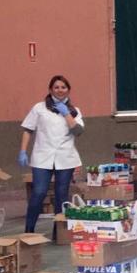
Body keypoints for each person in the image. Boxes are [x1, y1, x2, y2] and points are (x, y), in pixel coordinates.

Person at [18, 75, 84, 236]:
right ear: (50, 89)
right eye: (56, 87)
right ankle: (29, 230)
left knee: (62, 195)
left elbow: (78, 131)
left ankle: (58, 233)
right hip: (42, 157)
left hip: (65, 158)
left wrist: (66, 113)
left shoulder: (75, 111)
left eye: (63, 87)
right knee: (39, 192)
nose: (60, 90)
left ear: (68, 90)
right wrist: (23, 151)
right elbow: (28, 129)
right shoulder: (39, 108)